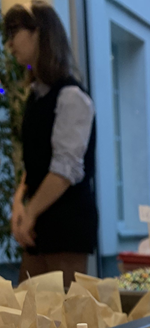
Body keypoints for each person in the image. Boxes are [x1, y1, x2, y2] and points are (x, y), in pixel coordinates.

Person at [5, 1, 97, 288]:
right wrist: (19, 203)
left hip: (66, 228)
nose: (9, 44)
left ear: (39, 32)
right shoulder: (36, 96)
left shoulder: (71, 96)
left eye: (14, 33)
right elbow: (35, 161)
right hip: (38, 227)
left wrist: (29, 214)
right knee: (25, 309)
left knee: (65, 313)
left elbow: (65, 170)